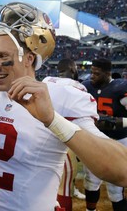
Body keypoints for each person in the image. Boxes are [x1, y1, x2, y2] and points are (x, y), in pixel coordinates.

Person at [0, 2, 127, 211]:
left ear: (29, 58)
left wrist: (52, 119)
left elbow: (121, 169)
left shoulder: (61, 95)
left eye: (2, 57)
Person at [82, 58, 127, 211]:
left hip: (119, 139)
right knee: (91, 180)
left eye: (96, 73)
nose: (92, 76)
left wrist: (118, 122)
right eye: (91, 72)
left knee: (115, 187)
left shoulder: (120, 87)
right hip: (96, 138)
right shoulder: (86, 86)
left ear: (107, 74)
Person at [45, 58, 86, 211]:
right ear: (72, 69)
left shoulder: (46, 80)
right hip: (62, 140)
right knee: (64, 187)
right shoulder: (78, 87)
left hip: (39, 138)